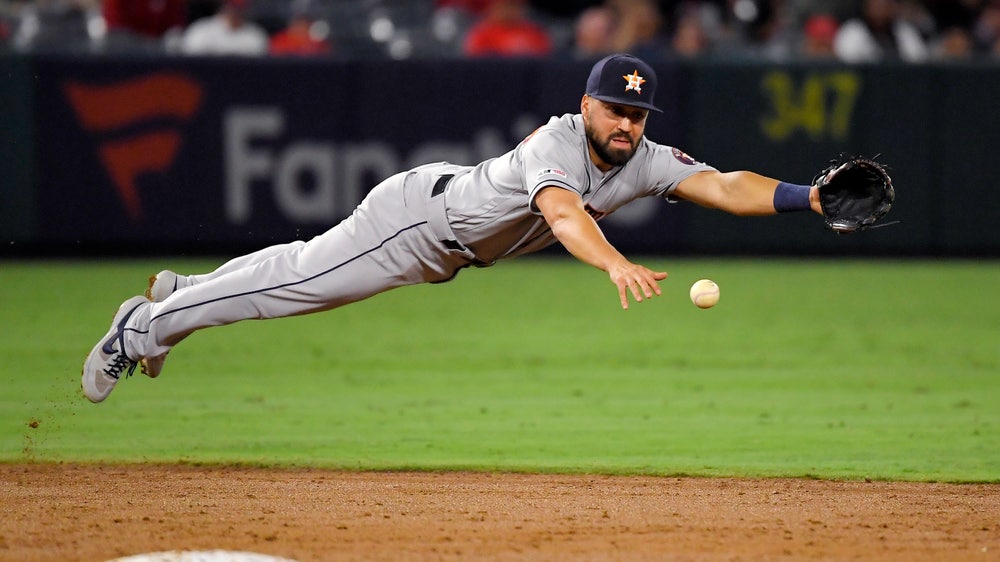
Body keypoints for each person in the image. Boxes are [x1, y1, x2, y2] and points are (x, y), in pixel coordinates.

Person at [81, 53, 825, 403]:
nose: (626, 123)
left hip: (441, 230)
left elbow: (725, 186)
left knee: (297, 264)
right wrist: (612, 264)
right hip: (417, 226)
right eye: (614, 109)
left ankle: (183, 293)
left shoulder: (645, 156)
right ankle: (139, 331)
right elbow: (564, 216)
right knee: (295, 285)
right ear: (586, 104)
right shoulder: (557, 143)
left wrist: (808, 198)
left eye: (637, 113)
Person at [179, 0, 267, 56]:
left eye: (240, 7)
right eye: (233, 6)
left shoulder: (255, 35)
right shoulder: (201, 30)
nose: (236, 11)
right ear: (224, 5)